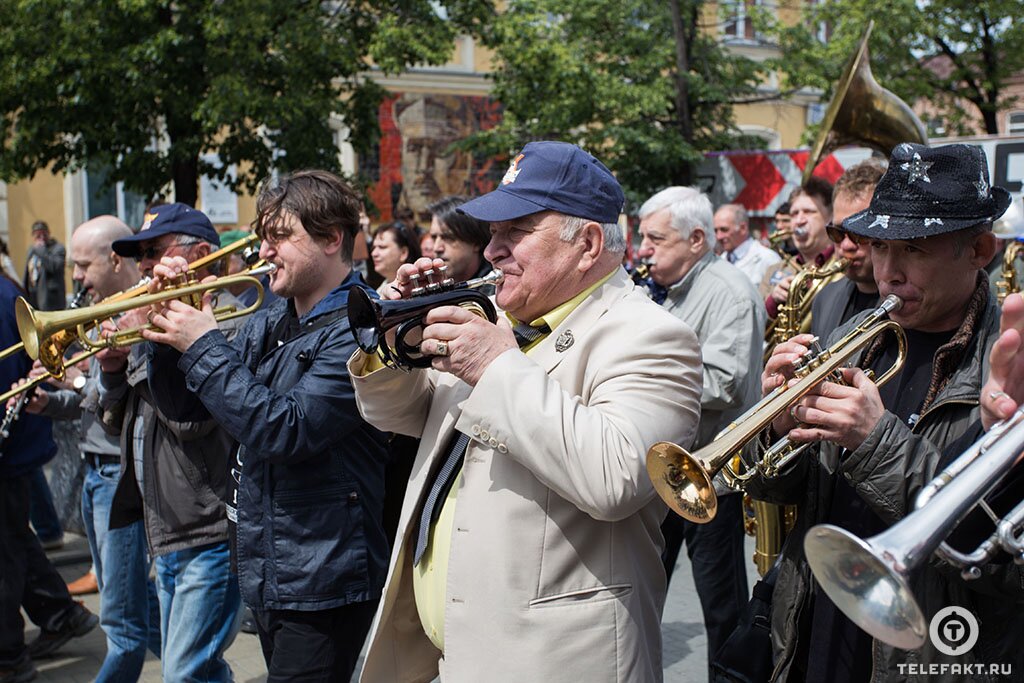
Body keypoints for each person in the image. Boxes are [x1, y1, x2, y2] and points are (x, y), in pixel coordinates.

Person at [351, 141, 703, 681]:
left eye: (514, 232)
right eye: (492, 234)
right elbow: (400, 415)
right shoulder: (503, 318)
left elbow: (614, 478)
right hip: (455, 657)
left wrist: (495, 367)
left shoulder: (653, 337)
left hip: (553, 664)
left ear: (586, 243)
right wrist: (396, 343)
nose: (492, 251)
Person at [749, 142, 1022, 681]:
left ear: (980, 249)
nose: (888, 273)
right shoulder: (854, 336)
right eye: (880, 246)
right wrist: (777, 428)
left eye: (915, 249)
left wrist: (875, 442)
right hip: (817, 640)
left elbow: (1005, 566)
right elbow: (780, 495)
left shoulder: (1010, 365)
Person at [141, 171, 390, 682]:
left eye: (280, 237)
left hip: (326, 574)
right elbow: (189, 409)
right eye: (262, 238)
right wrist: (166, 333)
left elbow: (285, 430)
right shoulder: (270, 318)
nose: (264, 251)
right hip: (271, 562)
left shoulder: (359, 328)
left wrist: (202, 345)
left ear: (330, 238)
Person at [99, 203, 242, 682]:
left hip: (210, 526)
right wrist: (112, 365)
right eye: (140, 255)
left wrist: (153, 338)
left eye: (154, 251)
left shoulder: (226, 324)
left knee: (185, 672)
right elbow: (112, 420)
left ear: (200, 253)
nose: (143, 266)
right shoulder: (153, 324)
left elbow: (191, 422)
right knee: (193, 670)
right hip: (164, 525)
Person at [20, 216, 161, 682]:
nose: (75, 276)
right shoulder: (95, 307)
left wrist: (78, 380)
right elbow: (90, 405)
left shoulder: (141, 310)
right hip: (93, 472)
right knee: (139, 609)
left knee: (121, 624)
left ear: (114, 259)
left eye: (82, 265)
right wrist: (49, 401)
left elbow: (126, 399)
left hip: (120, 478)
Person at [637, 187, 765, 670]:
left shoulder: (730, 291)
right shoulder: (669, 289)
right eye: (643, 238)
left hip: (714, 476)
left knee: (722, 608)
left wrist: (639, 377)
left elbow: (725, 383)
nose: (644, 249)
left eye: (655, 239)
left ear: (696, 239)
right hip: (670, 470)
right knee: (646, 592)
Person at [0, 271, 98, 683]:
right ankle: (61, 614)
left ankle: (8, 658)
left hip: (11, 445)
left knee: (4, 551)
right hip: (17, 444)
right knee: (13, 538)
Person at [810, 159, 887, 339]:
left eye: (859, 233)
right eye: (837, 233)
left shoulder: (909, 307)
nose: (846, 245)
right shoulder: (824, 298)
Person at [760, 178, 843, 328]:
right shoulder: (775, 270)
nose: (799, 220)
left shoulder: (843, 266)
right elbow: (754, 328)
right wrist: (774, 302)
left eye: (809, 212)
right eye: (794, 214)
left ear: (830, 217)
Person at [426, 195, 492, 284]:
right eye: (434, 237)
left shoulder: (494, 290)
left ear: (476, 242)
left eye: (449, 237)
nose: (437, 248)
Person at [714, 202, 782, 287]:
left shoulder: (768, 259)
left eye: (724, 230)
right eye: (716, 231)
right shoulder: (719, 261)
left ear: (743, 228)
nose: (718, 236)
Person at [23, 221, 66, 312]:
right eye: (38, 235)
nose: (42, 238)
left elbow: (54, 267)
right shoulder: (32, 250)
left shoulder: (58, 248)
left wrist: (41, 251)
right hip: (33, 297)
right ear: (33, 236)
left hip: (50, 301)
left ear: (49, 233)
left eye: (44, 234)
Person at [371, 221, 422, 295]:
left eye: (382, 247)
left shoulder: (417, 288)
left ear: (403, 253)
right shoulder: (380, 289)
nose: (374, 253)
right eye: (373, 248)